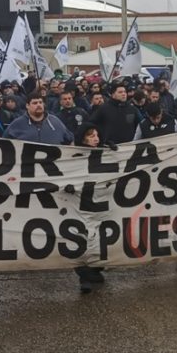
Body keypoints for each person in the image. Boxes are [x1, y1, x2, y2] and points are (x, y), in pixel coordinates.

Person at [72, 122, 107, 293]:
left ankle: (94, 270)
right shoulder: (74, 156)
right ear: (83, 138)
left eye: (97, 135)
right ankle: (84, 276)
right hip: (79, 204)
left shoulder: (103, 153)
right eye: (91, 136)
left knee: (98, 239)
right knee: (82, 239)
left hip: (99, 203)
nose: (96, 139)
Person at [4, 93, 73, 145]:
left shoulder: (55, 122)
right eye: (35, 103)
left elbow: (70, 140)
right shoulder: (17, 124)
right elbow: (4, 144)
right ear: (27, 106)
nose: (38, 105)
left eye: (40, 102)